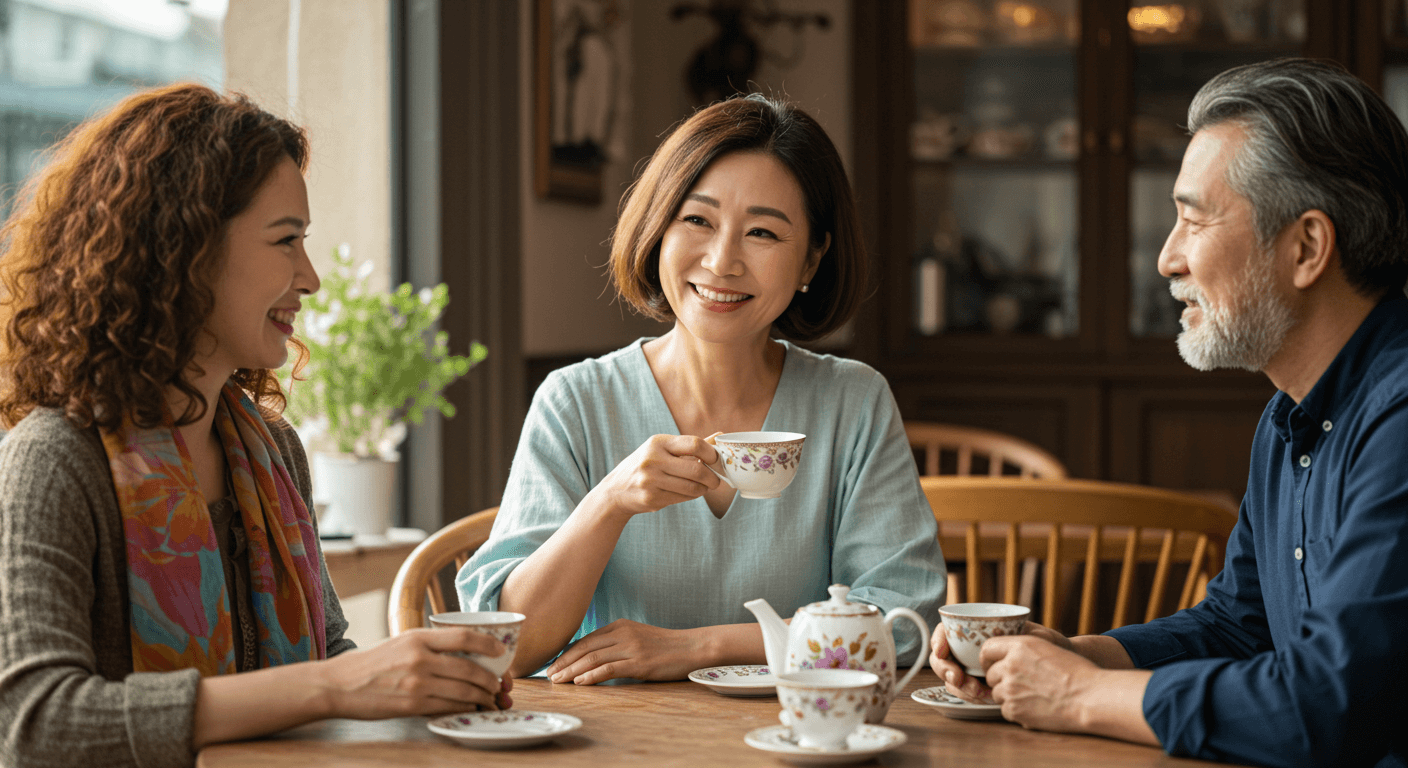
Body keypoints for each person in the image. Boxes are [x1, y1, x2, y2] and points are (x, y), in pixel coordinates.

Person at [0, 84, 511, 768]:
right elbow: (34, 725)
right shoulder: (54, 461)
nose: (311, 278)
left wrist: (415, 690)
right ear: (184, 249)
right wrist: (335, 687)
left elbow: (328, 660)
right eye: (286, 241)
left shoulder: (273, 452)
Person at [929, 58, 1408, 767]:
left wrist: (1081, 696)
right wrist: (1072, 655)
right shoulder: (1289, 417)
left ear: (1306, 246)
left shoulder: (1399, 418)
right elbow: (1240, 625)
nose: (1166, 259)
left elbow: (1326, 705)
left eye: (1192, 221)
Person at [457, 93, 947, 684]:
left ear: (811, 263)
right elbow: (505, 645)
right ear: (659, 228)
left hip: (799, 740)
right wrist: (609, 503)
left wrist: (700, 647)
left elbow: (902, 617)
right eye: (697, 220)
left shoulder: (854, 402)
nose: (722, 261)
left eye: (762, 232)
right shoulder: (575, 402)